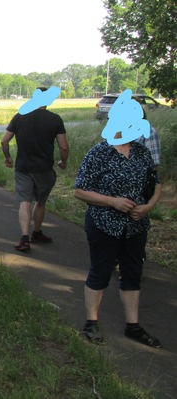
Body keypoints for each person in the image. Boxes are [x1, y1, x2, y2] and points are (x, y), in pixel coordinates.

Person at [74, 117, 163, 348]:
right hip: (103, 224)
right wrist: (113, 202)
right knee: (100, 272)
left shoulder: (141, 152)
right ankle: (91, 323)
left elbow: (157, 184)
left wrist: (148, 207)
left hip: (136, 227)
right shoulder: (99, 153)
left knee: (132, 274)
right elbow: (80, 191)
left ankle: (133, 326)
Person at [1, 87, 69, 252]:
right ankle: (37, 233)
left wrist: (8, 157)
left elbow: (4, 141)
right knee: (40, 202)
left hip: (23, 167)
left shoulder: (19, 116)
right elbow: (64, 147)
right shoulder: (55, 119)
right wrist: (63, 162)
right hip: (44, 169)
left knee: (25, 201)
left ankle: (24, 238)